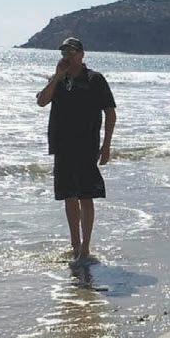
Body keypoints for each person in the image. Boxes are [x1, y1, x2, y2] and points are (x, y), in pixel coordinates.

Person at [37, 37, 116, 266]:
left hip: (86, 145)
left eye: (72, 52)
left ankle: (85, 247)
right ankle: (75, 244)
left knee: (85, 195)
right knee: (68, 196)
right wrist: (57, 77)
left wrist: (106, 146)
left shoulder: (94, 79)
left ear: (82, 54)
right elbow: (42, 101)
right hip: (61, 145)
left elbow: (110, 113)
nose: (68, 57)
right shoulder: (58, 80)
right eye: (64, 53)